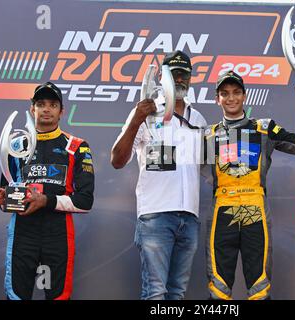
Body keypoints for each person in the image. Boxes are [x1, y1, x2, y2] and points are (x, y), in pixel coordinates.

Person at [204, 71, 295, 300]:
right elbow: (188, 166)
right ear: (217, 99)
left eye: (236, 92)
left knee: (259, 287)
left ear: (244, 96)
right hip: (222, 210)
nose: (231, 98)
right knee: (218, 288)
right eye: (224, 94)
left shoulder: (264, 128)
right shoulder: (208, 135)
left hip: (254, 210)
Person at [110, 50, 207, 300]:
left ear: (191, 78)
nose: (180, 80)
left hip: (190, 217)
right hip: (155, 217)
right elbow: (117, 160)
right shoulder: (145, 112)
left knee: (177, 294)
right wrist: (136, 120)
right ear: (163, 80)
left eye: (184, 74)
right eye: (173, 75)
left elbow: (208, 168)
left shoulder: (198, 119)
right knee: (155, 293)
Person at [0, 81, 95, 300]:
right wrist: (4, 199)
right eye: (41, 103)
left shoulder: (76, 146)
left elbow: (85, 201)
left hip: (58, 234)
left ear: (61, 111)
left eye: (53, 104)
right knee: (16, 296)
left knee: (58, 297)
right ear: (32, 108)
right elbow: (10, 192)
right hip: (22, 233)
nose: (46, 109)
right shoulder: (14, 146)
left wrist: (44, 200)